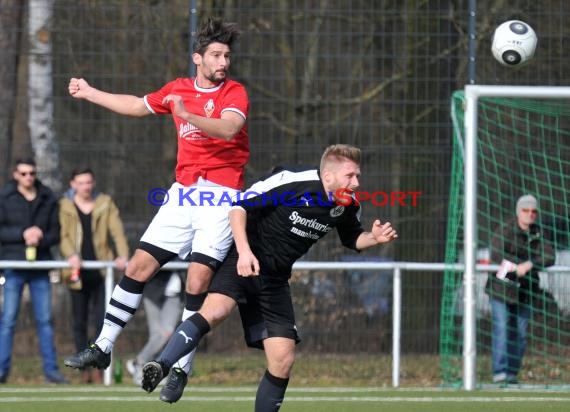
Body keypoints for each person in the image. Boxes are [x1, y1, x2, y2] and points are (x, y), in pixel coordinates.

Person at [141, 144, 398, 408]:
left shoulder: (347, 205)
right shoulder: (293, 181)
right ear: (328, 176)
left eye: (358, 176)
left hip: (274, 279)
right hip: (243, 258)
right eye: (350, 176)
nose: (356, 183)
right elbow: (239, 206)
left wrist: (373, 238)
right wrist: (243, 252)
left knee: (283, 358)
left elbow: (353, 238)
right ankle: (162, 366)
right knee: (216, 311)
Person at [63, 16, 249, 380]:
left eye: (226, 56)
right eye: (216, 55)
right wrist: (89, 92)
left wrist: (186, 113)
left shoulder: (233, 93)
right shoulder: (178, 88)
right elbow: (135, 105)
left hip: (221, 196)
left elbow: (229, 129)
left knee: (197, 282)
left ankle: (181, 366)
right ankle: (103, 346)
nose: (223, 63)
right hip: (182, 193)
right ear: (198, 58)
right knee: (137, 267)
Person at [0, 158, 68, 384]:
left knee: (45, 321)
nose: (29, 177)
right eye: (24, 173)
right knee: (8, 320)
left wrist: (39, 236)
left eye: (32, 173)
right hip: (13, 265)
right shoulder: (5, 197)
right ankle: (1, 371)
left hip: (41, 266)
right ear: (15, 175)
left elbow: (56, 234)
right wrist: (23, 233)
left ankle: (51, 372)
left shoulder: (48, 198)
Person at [59, 168, 130, 383]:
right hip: (76, 273)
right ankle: (83, 371)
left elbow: (117, 231)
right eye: (81, 183)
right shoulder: (64, 205)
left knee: (102, 320)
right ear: (73, 184)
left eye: (89, 182)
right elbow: (63, 235)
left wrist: (123, 256)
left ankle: (98, 367)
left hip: (101, 272)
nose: (86, 187)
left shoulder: (105, 203)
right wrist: (71, 255)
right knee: (79, 323)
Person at [486, 194, 555, 384]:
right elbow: (496, 253)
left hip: (525, 292)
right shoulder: (506, 230)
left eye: (534, 211)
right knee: (502, 328)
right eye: (526, 210)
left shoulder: (538, 233)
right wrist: (516, 266)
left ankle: (512, 374)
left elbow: (550, 256)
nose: (530, 215)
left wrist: (530, 264)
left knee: (521, 334)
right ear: (519, 212)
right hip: (501, 290)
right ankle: (500, 372)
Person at [126, 268, 184, 385]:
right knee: (157, 335)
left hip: (176, 294)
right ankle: (142, 364)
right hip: (153, 291)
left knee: (166, 333)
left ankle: (146, 366)